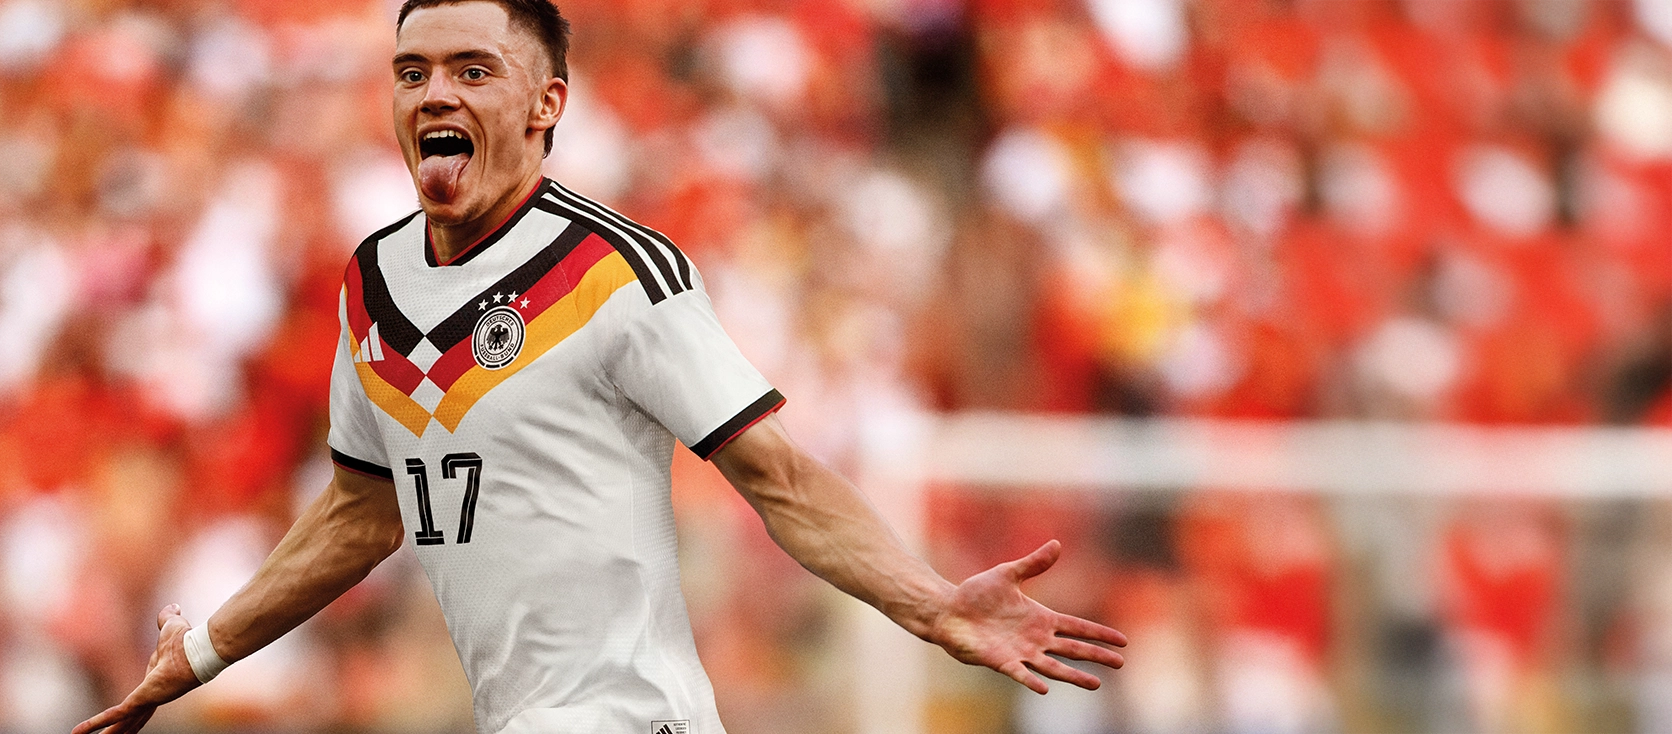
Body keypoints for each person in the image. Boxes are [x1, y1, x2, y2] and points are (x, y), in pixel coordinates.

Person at [72, 0, 1126, 731]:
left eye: (473, 71)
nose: (435, 94)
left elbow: (779, 478)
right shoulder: (373, 282)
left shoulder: (615, 270)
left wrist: (929, 600)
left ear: (547, 106)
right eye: (413, 72)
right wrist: (203, 649)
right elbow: (361, 511)